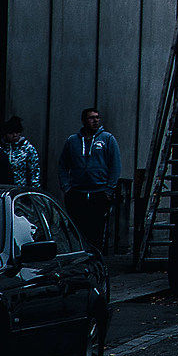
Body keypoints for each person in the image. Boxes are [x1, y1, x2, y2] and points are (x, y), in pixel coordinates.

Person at [59, 107, 121, 252]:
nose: (95, 121)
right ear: (83, 120)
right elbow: (62, 165)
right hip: (77, 192)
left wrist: (109, 190)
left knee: (97, 229)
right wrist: (66, 187)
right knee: (77, 229)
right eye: (91, 118)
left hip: (99, 192)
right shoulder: (72, 141)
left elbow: (115, 166)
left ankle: (96, 259)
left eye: (97, 117)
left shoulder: (107, 139)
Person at [0, 114, 40, 191]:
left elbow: (34, 172)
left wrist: (33, 191)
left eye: (17, 132)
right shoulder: (0, 148)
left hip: (21, 190)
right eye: (11, 133)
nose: (14, 135)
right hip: (3, 189)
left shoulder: (28, 149)